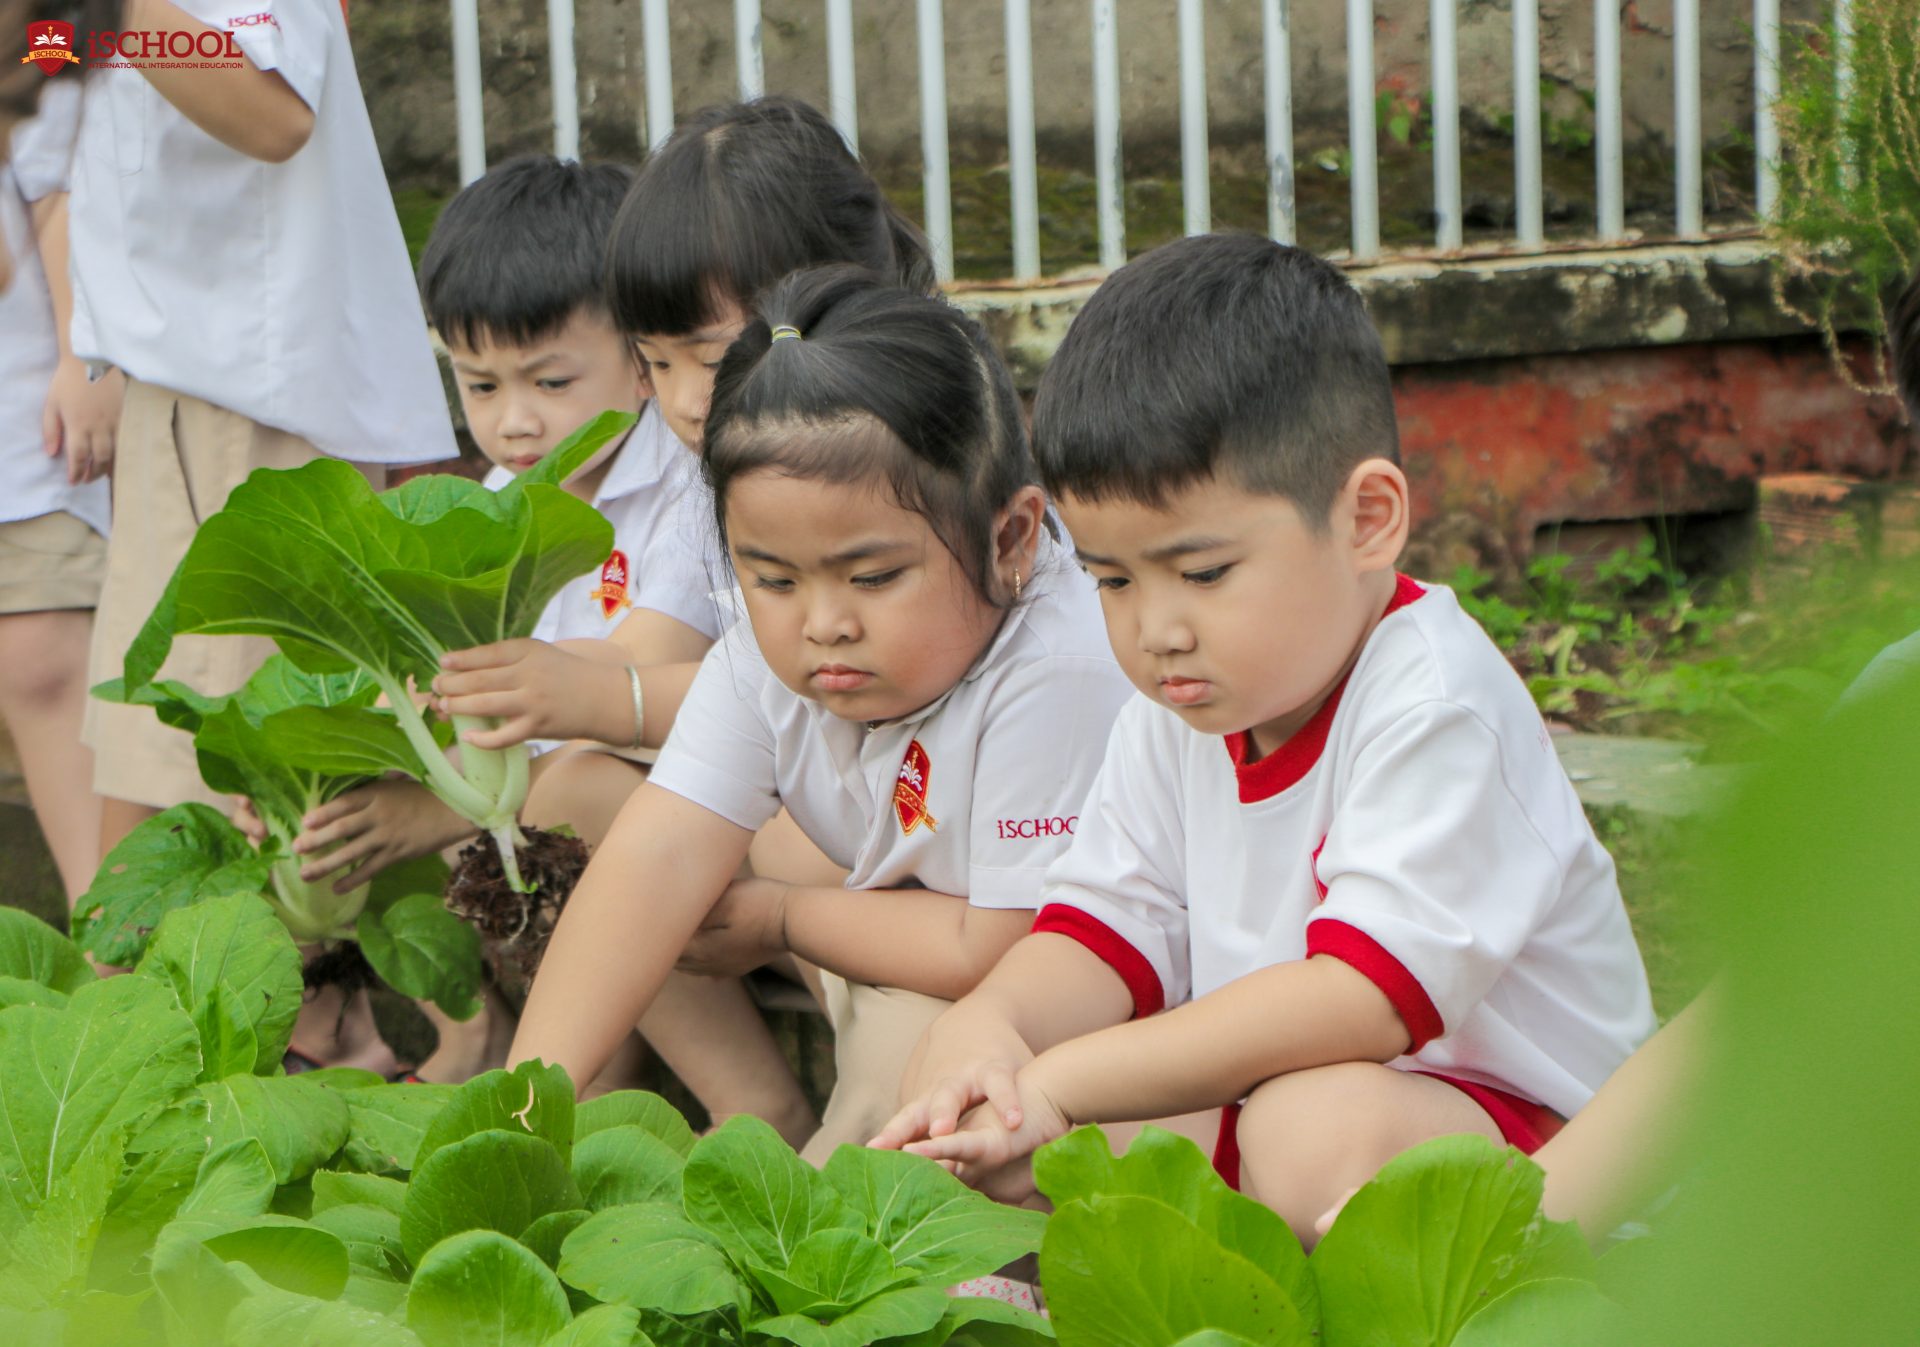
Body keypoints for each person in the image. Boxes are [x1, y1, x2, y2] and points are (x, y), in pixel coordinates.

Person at [873, 234, 1657, 1243]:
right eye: (1113, 581)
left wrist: (1065, 1077)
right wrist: (994, 1027)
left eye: (1202, 574)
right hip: (1294, 1099)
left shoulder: (1432, 702)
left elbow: (1364, 999)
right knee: (1004, 1094)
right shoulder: (1182, 710)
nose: (1156, 630)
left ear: (1369, 518)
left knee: (1296, 1129)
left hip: (1522, 1132)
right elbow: (1104, 928)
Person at [506, 267, 1134, 1164]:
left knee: (911, 1070)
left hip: (1056, 983)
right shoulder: (768, 654)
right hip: (899, 920)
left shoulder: (1058, 666)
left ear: (1011, 539)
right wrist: (518, 1107)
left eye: (872, 577)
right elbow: (656, 856)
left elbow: (994, 942)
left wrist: (781, 919)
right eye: (772, 578)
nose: (823, 621)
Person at [69, 0, 457, 862]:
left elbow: (275, 113)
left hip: (254, 411)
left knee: (252, 817)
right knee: (169, 783)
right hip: (175, 396)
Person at [0, 80, 114, 902]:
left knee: (42, 657)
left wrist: (84, 357)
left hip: (28, 422)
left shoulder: (39, 34)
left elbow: (57, 185)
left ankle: (114, 974)